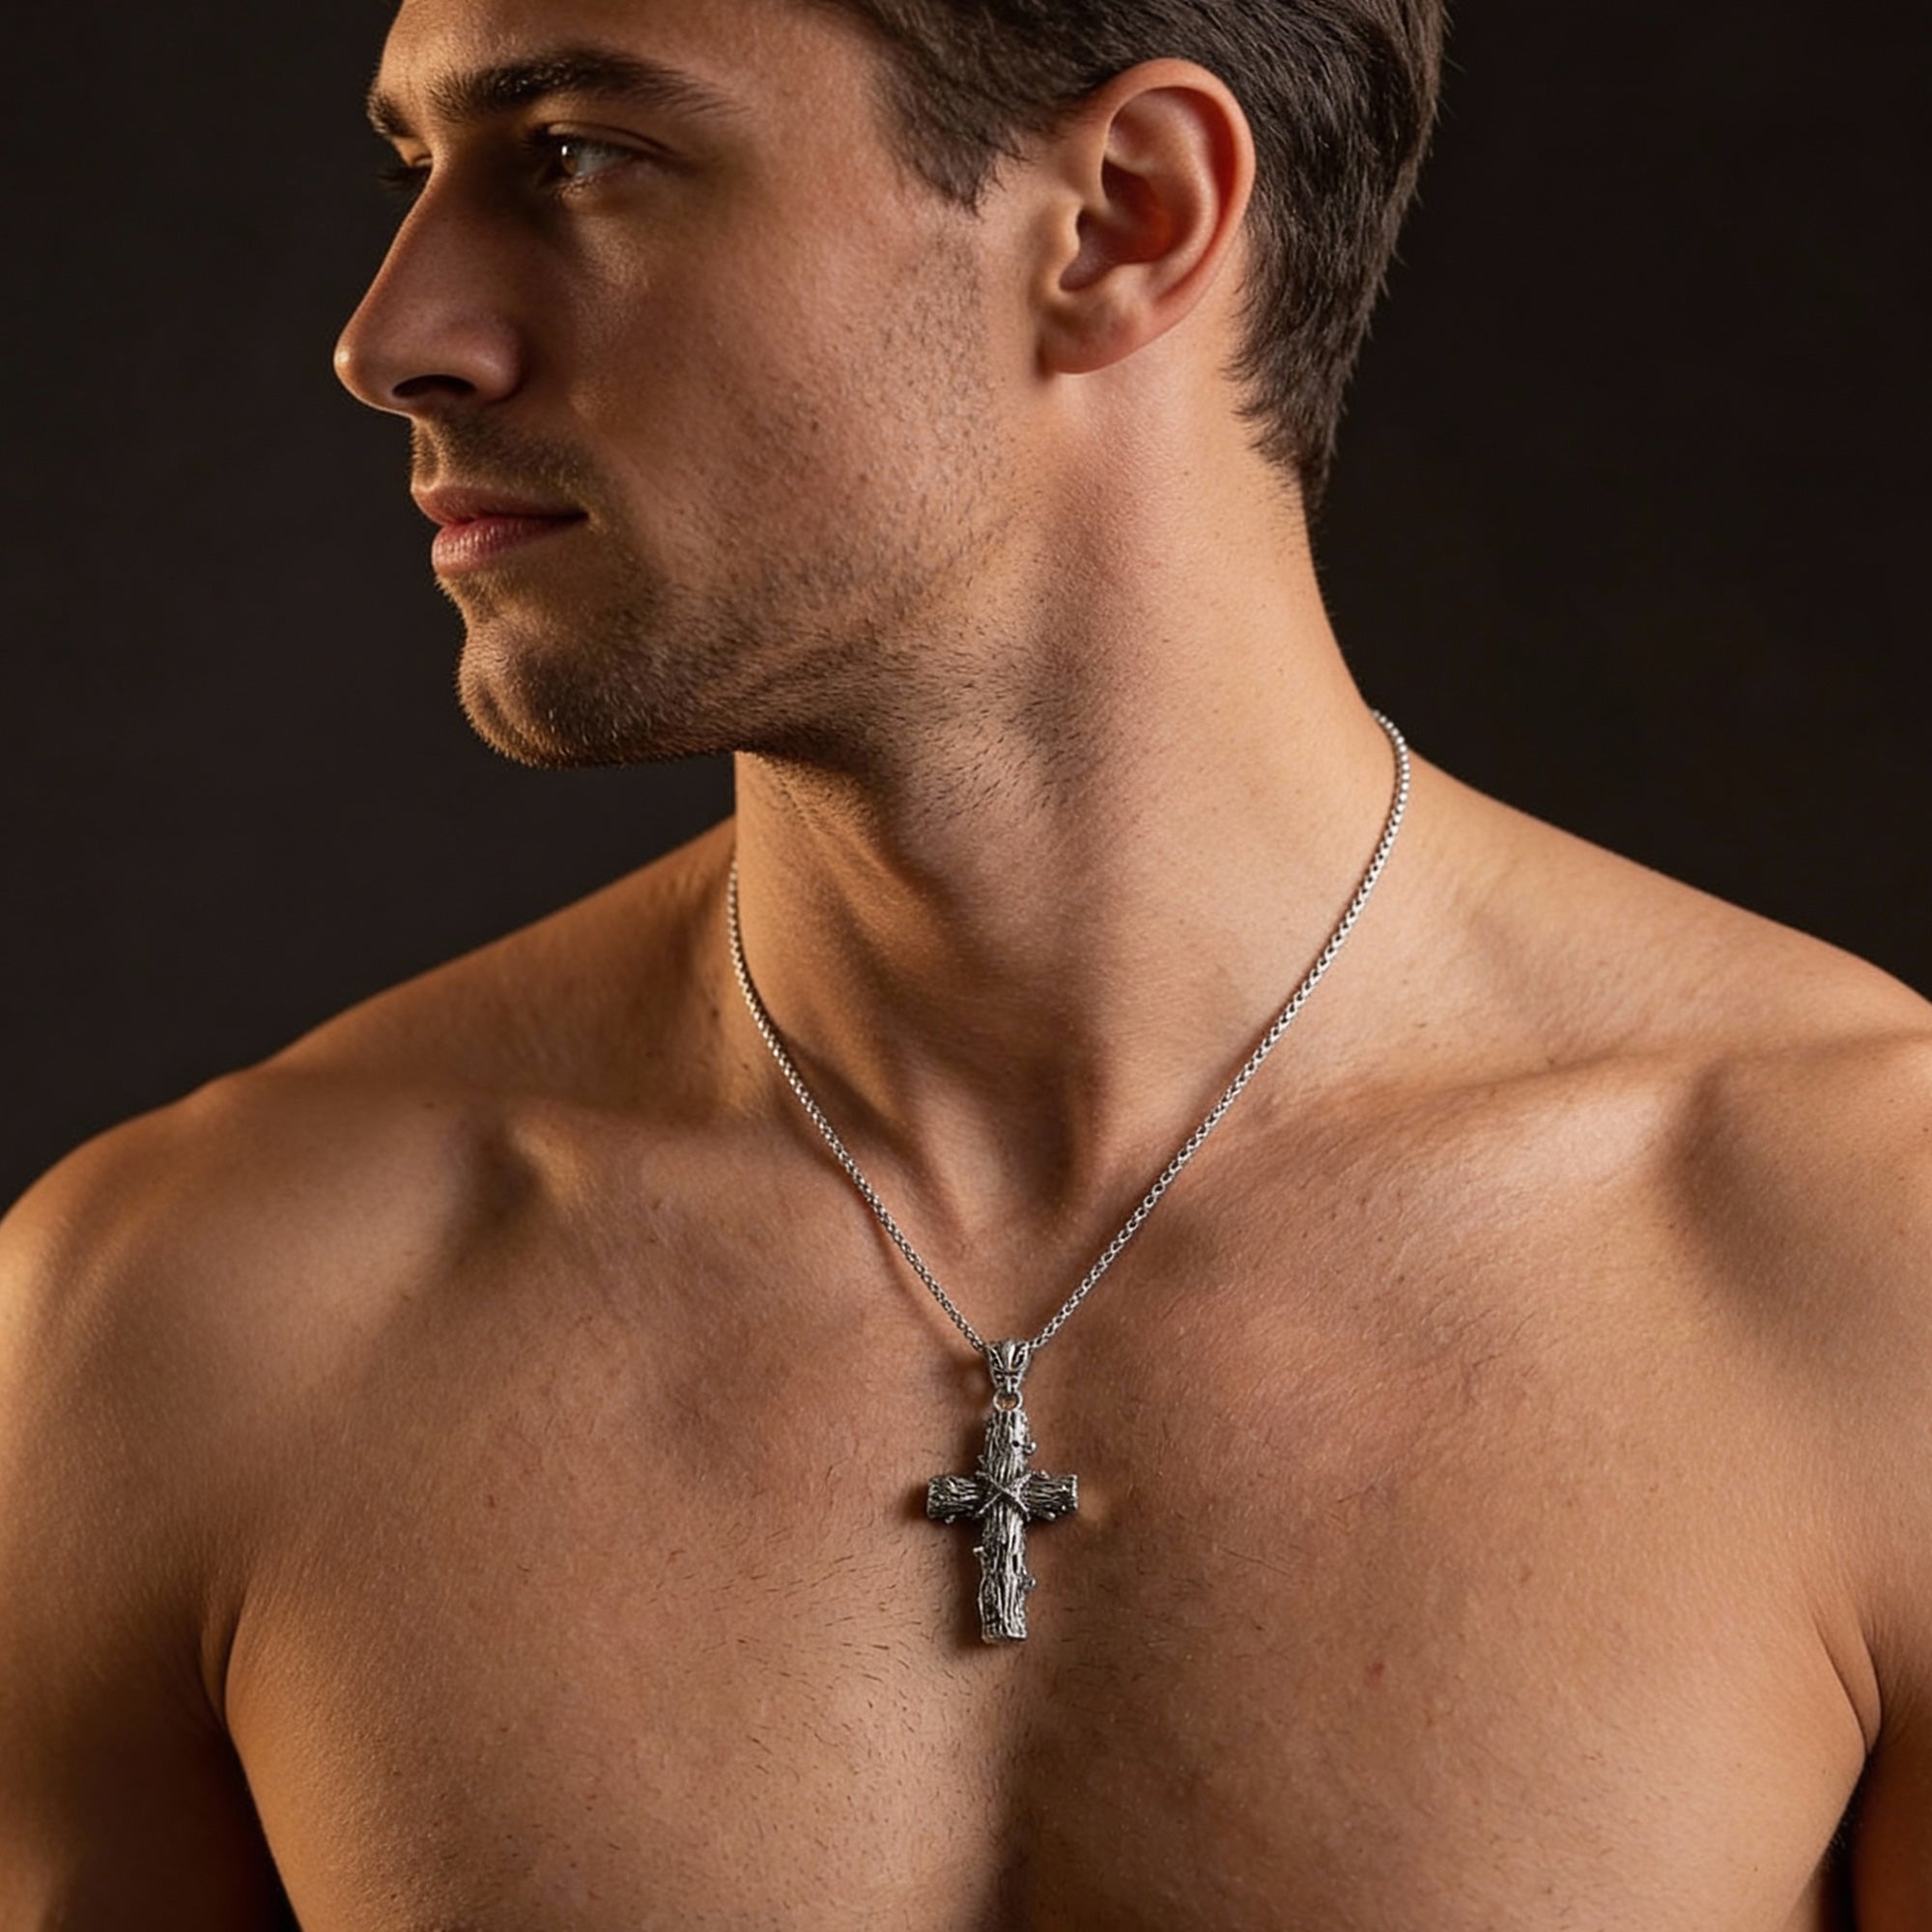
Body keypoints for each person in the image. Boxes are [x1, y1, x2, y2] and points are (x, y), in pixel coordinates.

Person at [1, 0, 1925, 1921]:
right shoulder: (181, 1319)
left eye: (579, 155)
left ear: (1121, 218)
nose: (392, 337)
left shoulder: (1864, 1271)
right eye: (414, 171)